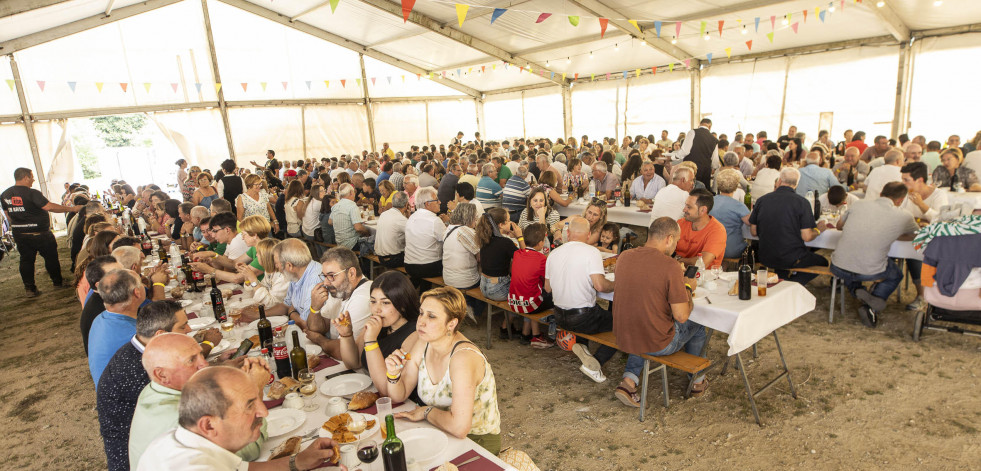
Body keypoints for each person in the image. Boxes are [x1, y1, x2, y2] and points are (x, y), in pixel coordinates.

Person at [136, 366, 341, 471]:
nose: (264, 412)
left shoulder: (183, 438)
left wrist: (298, 461)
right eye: (250, 405)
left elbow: (243, 468)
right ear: (208, 424)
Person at [384, 287, 502, 454]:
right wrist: (393, 374)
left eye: (431, 316)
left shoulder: (463, 358)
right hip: (438, 429)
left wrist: (425, 412)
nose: (421, 322)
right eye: (421, 313)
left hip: (475, 441)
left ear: (451, 324)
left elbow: (460, 427)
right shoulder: (424, 342)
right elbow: (399, 395)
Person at [128, 332, 270, 468]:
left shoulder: (154, 388)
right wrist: (254, 388)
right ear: (162, 374)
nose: (205, 364)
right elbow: (249, 451)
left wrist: (225, 371)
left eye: (201, 354)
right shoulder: (176, 416)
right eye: (191, 360)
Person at [612, 217, 707, 407]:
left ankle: (628, 381)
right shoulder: (669, 265)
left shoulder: (624, 256)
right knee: (699, 324)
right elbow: (681, 315)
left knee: (645, 323)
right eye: (677, 240)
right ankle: (697, 380)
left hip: (623, 334)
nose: (677, 245)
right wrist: (687, 286)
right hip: (657, 342)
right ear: (669, 238)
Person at [97, 300, 194, 471]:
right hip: (142, 458)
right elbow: (195, 407)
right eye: (183, 327)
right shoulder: (141, 370)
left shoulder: (140, 350)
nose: (189, 330)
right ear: (160, 334)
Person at [831, 183, 919, 328]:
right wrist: (894, 234)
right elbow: (917, 236)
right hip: (869, 271)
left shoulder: (858, 204)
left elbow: (839, 226)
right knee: (896, 274)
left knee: (852, 263)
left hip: (838, 266)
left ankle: (856, 289)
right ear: (900, 200)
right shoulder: (904, 215)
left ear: (880, 193)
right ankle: (874, 301)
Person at [545, 217, 616, 383]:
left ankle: (583, 346)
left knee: (596, 309)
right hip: (583, 317)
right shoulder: (591, 252)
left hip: (559, 316)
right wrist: (616, 283)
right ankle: (596, 362)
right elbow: (600, 286)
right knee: (623, 324)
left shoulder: (553, 254)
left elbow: (547, 288)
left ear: (568, 233)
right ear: (589, 234)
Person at [332, 270, 419, 397]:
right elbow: (354, 363)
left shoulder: (415, 334)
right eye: (373, 301)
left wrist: (371, 341)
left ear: (403, 304)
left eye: (385, 303)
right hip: (369, 390)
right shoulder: (379, 322)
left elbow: (386, 390)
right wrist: (346, 335)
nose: (376, 309)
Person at [1, 168, 81, 297]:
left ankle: (30, 289)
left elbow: (7, 215)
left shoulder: (5, 194)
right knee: (51, 257)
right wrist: (72, 209)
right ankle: (57, 282)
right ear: (26, 177)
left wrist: (20, 222)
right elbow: (49, 207)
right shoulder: (32, 193)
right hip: (40, 233)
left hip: (20, 233)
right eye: (32, 177)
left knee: (26, 260)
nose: (33, 179)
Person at [749, 167, 827, 284]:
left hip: (765, 255)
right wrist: (818, 230)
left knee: (782, 258)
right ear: (796, 184)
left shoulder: (762, 200)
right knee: (824, 262)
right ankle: (792, 283)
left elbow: (753, 231)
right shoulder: (802, 202)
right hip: (792, 257)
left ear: (779, 181)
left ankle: (783, 280)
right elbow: (807, 237)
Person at [306, 247, 372, 359]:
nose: (326, 282)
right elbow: (318, 328)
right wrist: (315, 308)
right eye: (324, 276)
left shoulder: (363, 298)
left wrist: (318, 339)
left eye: (331, 275)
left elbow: (344, 351)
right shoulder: (340, 289)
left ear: (351, 273)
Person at [89, 269, 148, 387]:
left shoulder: (100, 319)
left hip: (109, 393)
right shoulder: (134, 336)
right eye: (141, 283)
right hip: (128, 399)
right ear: (137, 293)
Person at [506, 223, 553, 347]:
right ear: (540, 243)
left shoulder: (518, 253)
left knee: (533, 289)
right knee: (554, 295)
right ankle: (546, 334)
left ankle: (532, 334)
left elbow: (525, 252)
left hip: (513, 302)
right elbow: (550, 283)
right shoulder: (542, 259)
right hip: (529, 305)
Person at [264, 239, 321, 329]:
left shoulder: (314, 281)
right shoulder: (295, 274)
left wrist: (291, 312)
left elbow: (306, 324)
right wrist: (259, 315)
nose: (276, 267)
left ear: (289, 266)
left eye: (276, 264)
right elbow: (286, 305)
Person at [477, 208, 524, 306]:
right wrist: (520, 237)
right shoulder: (505, 243)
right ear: (501, 225)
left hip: (483, 287)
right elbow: (524, 259)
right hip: (498, 291)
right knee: (525, 288)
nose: (511, 222)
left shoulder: (485, 237)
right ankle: (517, 319)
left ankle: (508, 320)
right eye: (508, 220)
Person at [81, 256, 125, 355]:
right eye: (118, 275)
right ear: (99, 284)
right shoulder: (108, 310)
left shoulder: (100, 298)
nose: (127, 277)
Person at [404, 187, 446, 287]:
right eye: (436, 200)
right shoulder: (434, 220)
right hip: (428, 267)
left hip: (409, 265)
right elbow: (447, 240)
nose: (439, 202)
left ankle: (420, 293)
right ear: (427, 204)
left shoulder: (412, 217)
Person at [675, 189, 726, 269]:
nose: (684, 210)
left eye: (689, 207)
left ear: (703, 210)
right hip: (678, 273)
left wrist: (677, 260)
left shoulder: (717, 230)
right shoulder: (680, 223)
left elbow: (702, 263)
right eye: (685, 205)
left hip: (704, 278)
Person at [440, 202, 481, 296]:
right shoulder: (465, 231)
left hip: (448, 278)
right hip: (465, 281)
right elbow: (480, 257)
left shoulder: (448, 228)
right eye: (475, 216)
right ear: (469, 217)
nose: (476, 219)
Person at [710, 169, 751, 260]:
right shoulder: (738, 206)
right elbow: (750, 222)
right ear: (736, 187)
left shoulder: (709, 202)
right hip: (732, 249)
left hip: (710, 249)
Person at [677, 118, 718, 189]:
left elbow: (685, 151)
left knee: (689, 190)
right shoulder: (714, 139)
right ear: (710, 127)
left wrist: (674, 157)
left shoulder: (692, 132)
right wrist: (713, 167)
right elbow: (715, 159)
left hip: (691, 168)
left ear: (699, 124)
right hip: (705, 170)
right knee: (702, 192)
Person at [374, 191, 409, 269]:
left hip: (381, 257)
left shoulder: (384, 214)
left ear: (393, 203)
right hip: (393, 259)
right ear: (406, 204)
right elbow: (414, 233)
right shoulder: (401, 219)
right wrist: (408, 217)